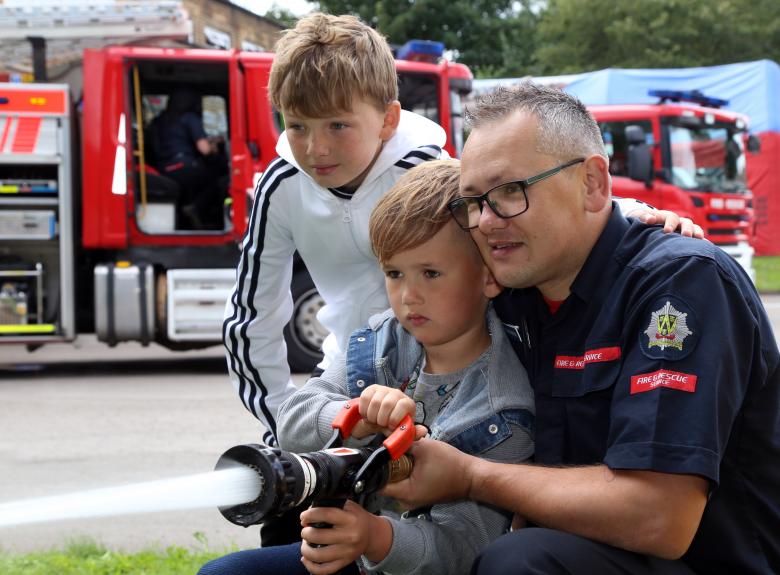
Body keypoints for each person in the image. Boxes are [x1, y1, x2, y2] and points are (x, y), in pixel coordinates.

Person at [221, 12, 700, 450]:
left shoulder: (424, 166)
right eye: (297, 126)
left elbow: (506, 197)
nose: (315, 147)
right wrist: (278, 422)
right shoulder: (279, 185)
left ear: (388, 120)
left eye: (338, 125)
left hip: (452, 378)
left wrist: (637, 212)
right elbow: (254, 315)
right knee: (294, 520)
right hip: (352, 369)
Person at [383, 83, 780, 574]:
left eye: (511, 191)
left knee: (518, 562)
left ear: (593, 183)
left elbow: (661, 517)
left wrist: (470, 477)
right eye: (474, 201)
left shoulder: (681, 284)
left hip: (701, 562)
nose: (486, 220)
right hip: (576, 547)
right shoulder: (512, 289)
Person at [201, 160, 536, 575]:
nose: (408, 296)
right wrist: (353, 417)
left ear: (489, 277)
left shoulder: (502, 413)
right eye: (394, 273)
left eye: (431, 273)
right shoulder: (382, 338)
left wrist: (375, 538)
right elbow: (293, 419)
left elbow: (463, 549)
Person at [148, 89, 225, 229]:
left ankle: (187, 217)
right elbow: (205, 149)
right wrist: (215, 145)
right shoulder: (190, 118)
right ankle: (195, 207)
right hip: (182, 166)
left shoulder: (158, 120)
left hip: (163, 169)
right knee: (219, 177)